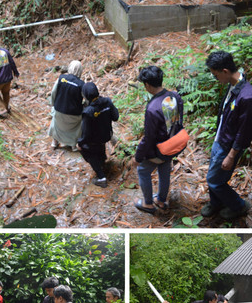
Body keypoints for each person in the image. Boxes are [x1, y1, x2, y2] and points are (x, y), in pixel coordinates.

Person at [202, 51, 252, 220]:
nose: (215, 78)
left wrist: (231, 155)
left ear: (225, 71)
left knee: (214, 180)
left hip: (228, 146)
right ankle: (216, 202)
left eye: (215, 75)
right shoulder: (234, 84)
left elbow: (245, 131)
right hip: (221, 138)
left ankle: (239, 206)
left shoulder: (247, 97)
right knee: (215, 175)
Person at [131, 66, 184, 214]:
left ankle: (148, 204)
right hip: (173, 143)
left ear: (147, 85)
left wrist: (138, 157)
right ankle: (161, 200)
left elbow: (149, 138)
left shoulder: (153, 108)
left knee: (142, 170)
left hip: (159, 149)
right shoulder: (174, 96)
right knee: (164, 169)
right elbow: (179, 121)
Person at [77, 82, 119, 188]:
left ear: (85, 96)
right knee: (99, 144)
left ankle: (101, 177)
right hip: (106, 135)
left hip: (94, 140)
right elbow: (116, 117)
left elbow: (85, 134)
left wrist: (79, 143)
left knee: (86, 150)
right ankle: (102, 160)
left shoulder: (88, 112)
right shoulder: (107, 101)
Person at [49, 60, 84, 151]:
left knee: (55, 122)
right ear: (80, 70)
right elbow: (86, 99)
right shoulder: (81, 84)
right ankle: (73, 144)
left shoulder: (61, 78)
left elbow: (53, 92)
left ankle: (55, 142)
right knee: (76, 127)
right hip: (74, 114)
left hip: (59, 110)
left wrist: (53, 104)